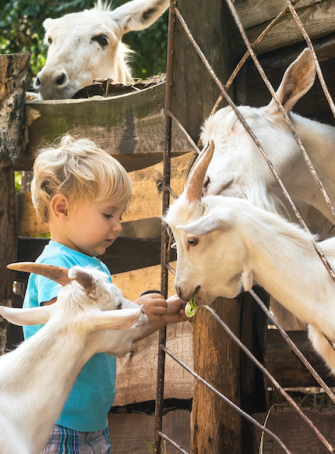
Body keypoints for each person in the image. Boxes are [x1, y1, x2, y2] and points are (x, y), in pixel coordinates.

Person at [23, 135, 186, 454]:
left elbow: (113, 336)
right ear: (62, 207)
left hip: (92, 421)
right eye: (108, 215)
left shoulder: (93, 268)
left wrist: (160, 315)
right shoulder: (57, 266)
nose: (118, 227)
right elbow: (75, 325)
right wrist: (133, 310)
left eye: (121, 216)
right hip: (56, 422)